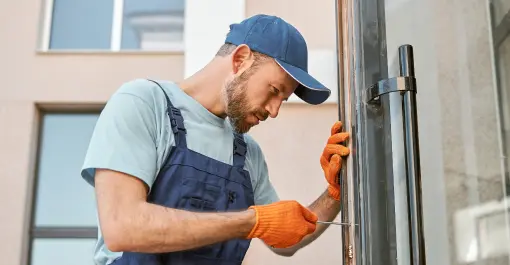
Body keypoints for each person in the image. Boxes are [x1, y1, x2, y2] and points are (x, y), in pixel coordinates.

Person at [81, 14, 350, 265]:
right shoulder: (144, 104)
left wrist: (335, 193)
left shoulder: (247, 153)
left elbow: (284, 242)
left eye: (282, 100)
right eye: (274, 91)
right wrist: (251, 221)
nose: (274, 110)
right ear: (240, 59)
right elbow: (122, 226)